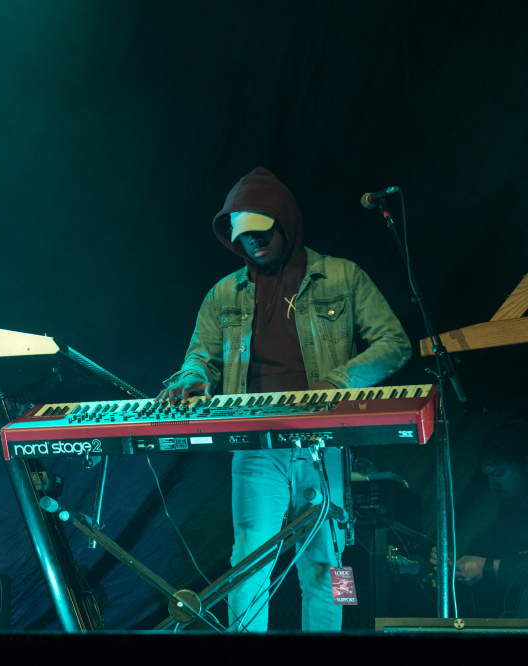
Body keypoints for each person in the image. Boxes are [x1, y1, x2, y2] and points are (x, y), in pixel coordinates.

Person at [156, 167, 411, 632]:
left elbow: (394, 343)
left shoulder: (343, 277)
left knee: (329, 563)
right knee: (249, 560)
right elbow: (199, 358)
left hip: (325, 442)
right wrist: (192, 378)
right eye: (243, 235)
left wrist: (339, 381)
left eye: (261, 230)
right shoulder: (223, 294)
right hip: (256, 444)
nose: (252, 241)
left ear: (286, 221)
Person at [430, 420, 528, 617]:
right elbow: (487, 555)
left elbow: (489, 564)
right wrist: (456, 564)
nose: (493, 486)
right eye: (488, 477)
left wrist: (487, 566)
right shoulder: (507, 512)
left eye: (499, 473)